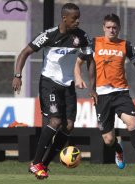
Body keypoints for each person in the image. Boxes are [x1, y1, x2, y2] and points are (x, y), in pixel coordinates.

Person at [12, 3, 97, 180]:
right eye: (74, 18)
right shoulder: (49, 35)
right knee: (56, 120)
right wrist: (17, 75)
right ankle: (35, 162)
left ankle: (43, 165)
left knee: (68, 126)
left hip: (68, 86)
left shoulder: (82, 36)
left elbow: (90, 60)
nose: (78, 21)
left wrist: (93, 87)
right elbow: (25, 52)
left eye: (79, 17)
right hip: (49, 83)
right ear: (64, 18)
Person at [74, 13, 135, 173]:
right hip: (101, 95)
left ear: (119, 29)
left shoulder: (125, 45)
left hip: (121, 93)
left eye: (114, 28)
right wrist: (78, 77)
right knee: (108, 139)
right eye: (108, 27)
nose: (111, 30)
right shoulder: (94, 43)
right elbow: (78, 62)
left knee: (132, 123)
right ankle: (118, 151)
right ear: (103, 28)